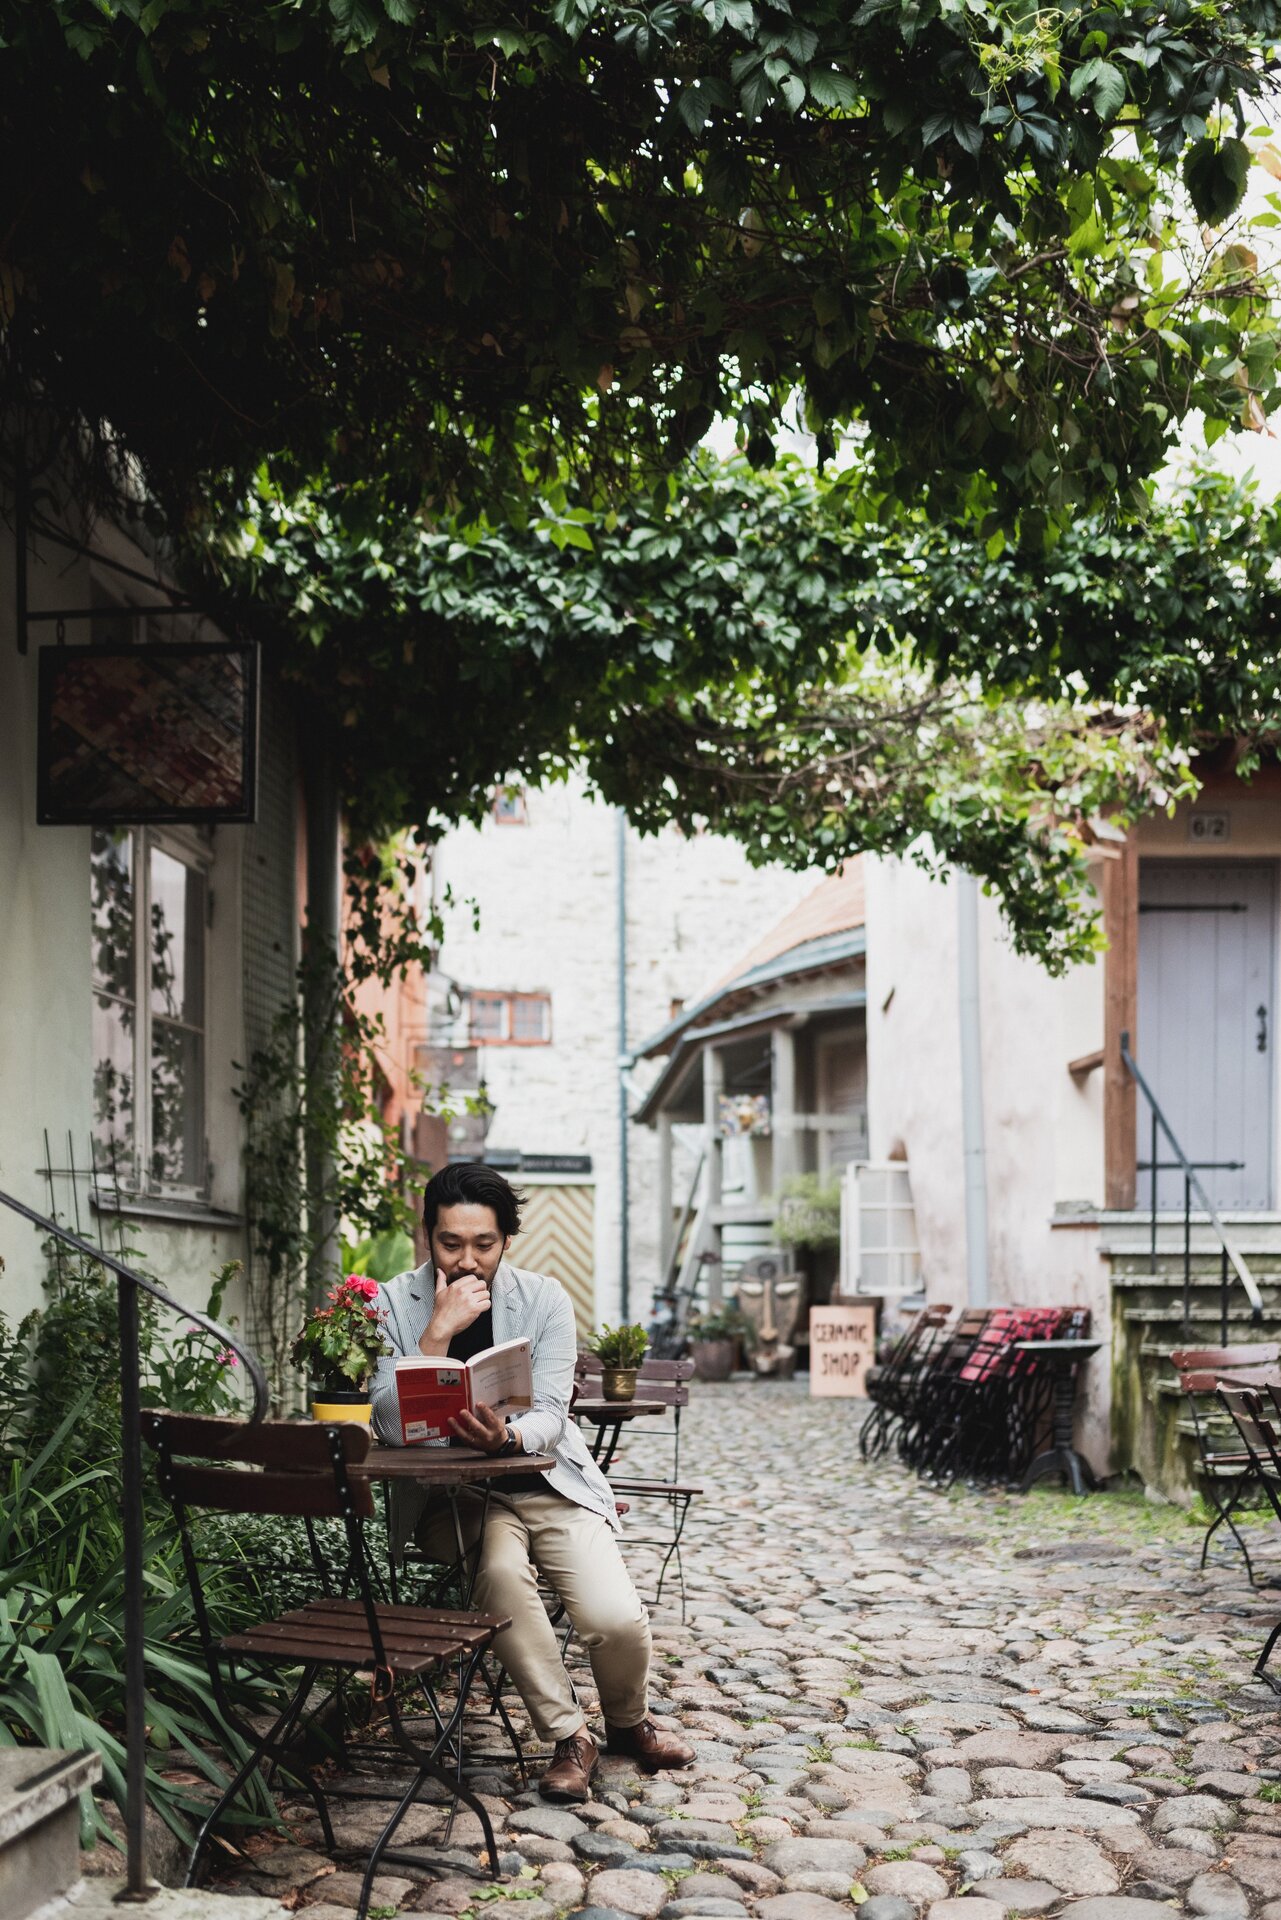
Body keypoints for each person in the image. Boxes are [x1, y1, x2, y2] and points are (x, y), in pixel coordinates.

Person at [370, 1161, 694, 1802]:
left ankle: (628, 1724)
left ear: (506, 1241)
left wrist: (508, 1437)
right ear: (427, 1236)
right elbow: (385, 1418)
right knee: (500, 1574)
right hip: (453, 1499)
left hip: (546, 1483)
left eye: (483, 1245)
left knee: (615, 1618)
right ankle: (572, 1737)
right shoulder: (391, 1302)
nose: (467, 1261)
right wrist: (437, 1333)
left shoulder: (543, 1298)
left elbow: (550, 1413)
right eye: (450, 1243)